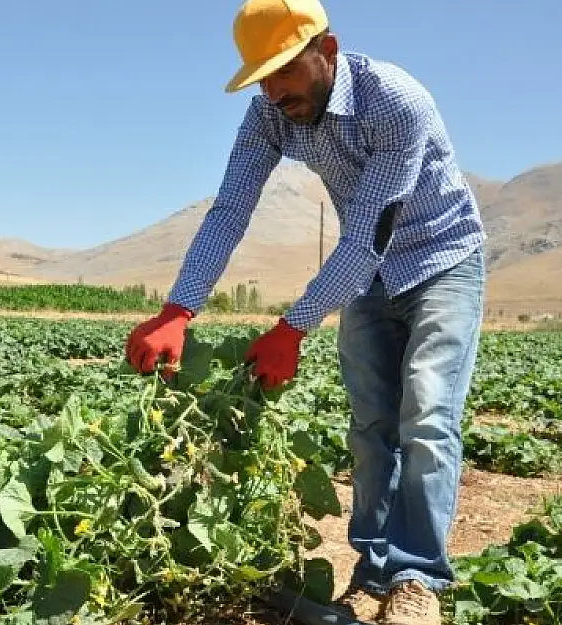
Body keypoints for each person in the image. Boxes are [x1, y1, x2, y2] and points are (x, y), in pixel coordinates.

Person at [124, 1, 487, 623]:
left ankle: (418, 578)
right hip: (368, 274)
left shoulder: (396, 100)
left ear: (329, 49)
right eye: (262, 75)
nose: (274, 90)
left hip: (441, 259)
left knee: (425, 412)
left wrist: (293, 326)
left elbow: (369, 234)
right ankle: (375, 575)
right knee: (372, 424)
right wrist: (178, 309)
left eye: (284, 71)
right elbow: (231, 208)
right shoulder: (269, 112)